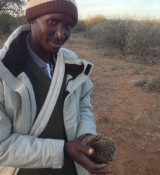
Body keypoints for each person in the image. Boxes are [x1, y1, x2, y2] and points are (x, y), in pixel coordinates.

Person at [0, 0, 112, 175]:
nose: (61, 34)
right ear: (32, 18)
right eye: (52, 21)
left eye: (68, 26)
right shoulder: (4, 69)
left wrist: (85, 136)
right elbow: (2, 146)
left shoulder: (72, 62)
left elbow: (83, 104)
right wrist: (62, 150)